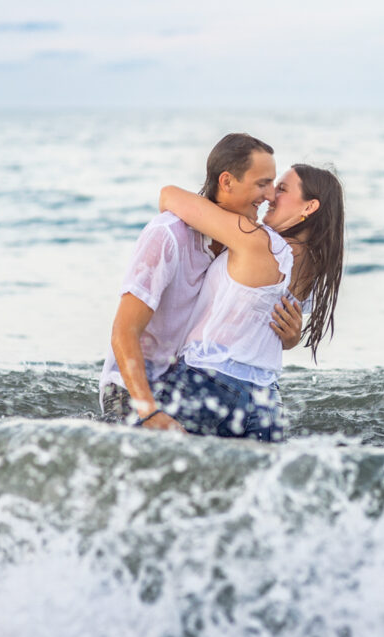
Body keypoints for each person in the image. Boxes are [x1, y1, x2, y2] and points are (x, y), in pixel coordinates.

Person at [99, 133, 303, 430]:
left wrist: (288, 337)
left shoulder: (243, 247)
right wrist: (148, 411)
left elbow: (236, 334)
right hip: (133, 389)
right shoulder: (167, 235)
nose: (270, 196)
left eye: (273, 184)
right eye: (262, 184)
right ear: (227, 181)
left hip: (191, 384)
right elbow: (123, 331)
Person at [151, 163, 345, 441]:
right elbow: (270, 326)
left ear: (309, 207)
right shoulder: (315, 267)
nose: (269, 196)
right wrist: (290, 340)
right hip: (266, 401)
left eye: (282, 189)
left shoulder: (256, 241)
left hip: (210, 380)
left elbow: (168, 196)